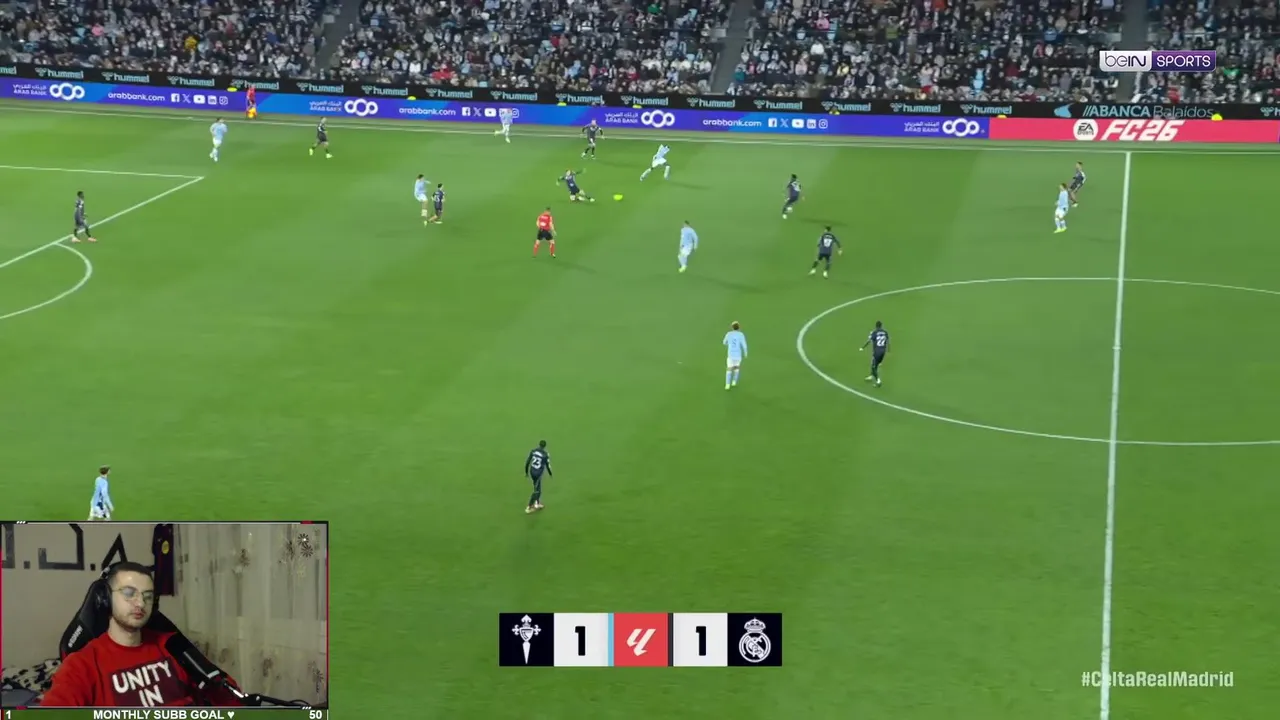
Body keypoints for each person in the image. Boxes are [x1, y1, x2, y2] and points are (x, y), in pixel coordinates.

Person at [41, 563, 244, 707]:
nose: (140, 603)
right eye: (129, 593)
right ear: (105, 599)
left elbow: (227, 695)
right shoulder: (81, 665)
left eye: (148, 596)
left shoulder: (171, 645)